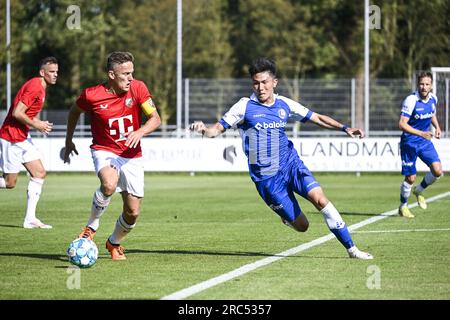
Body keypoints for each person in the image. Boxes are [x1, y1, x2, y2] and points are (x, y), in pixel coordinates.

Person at [190, 57, 373, 260]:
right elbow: (217, 129)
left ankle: (352, 249)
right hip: (266, 179)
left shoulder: (284, 104)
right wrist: (203, 130)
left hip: (290, 164)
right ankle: (287, 218)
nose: (260, 87)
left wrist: (344, 128)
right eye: (256, 83)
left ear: (274, 82)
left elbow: (317, 117)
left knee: (321, 200)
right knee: (303, 226)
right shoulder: (243, 107)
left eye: (264, 82)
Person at [64, 51, 161, 260]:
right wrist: (68, 140)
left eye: (132, 73)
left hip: (132, 154)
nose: (131, 78)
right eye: (125, 74)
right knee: (108, 184)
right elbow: (74, 112)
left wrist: (140, 131)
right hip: (104, 149)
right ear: (111, 75)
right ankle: (91, 226)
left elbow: (155, 118)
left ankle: (114, 242)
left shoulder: (138, 88)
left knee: (133, 212)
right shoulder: (92, 95)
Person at [0, 56, 58, 229]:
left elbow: (25, 113)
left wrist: (37, 122)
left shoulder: (40, 86)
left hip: (22, 137)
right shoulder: (35, 87)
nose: (55, 75)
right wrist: (37, 124)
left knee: (39, 173)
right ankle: (30, 218)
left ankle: (30, 219)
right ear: (42, 72)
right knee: (10, 183)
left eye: (57, 72)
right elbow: (18, 112)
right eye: (51, 72)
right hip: (12, 138)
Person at [398, 71, 443, 218]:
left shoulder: (433, 99)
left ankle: (419, 190)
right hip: (409, 142)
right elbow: (402, 124)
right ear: (418, 84)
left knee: (437, 170)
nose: (424, 87)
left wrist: (437, 127)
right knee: (410, 177)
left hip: (424, 142)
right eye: (422, 84)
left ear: (431, 86)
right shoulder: (411, 100)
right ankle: (403, 206)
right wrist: (421, 133)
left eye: (427, 84)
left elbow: (432, 113)